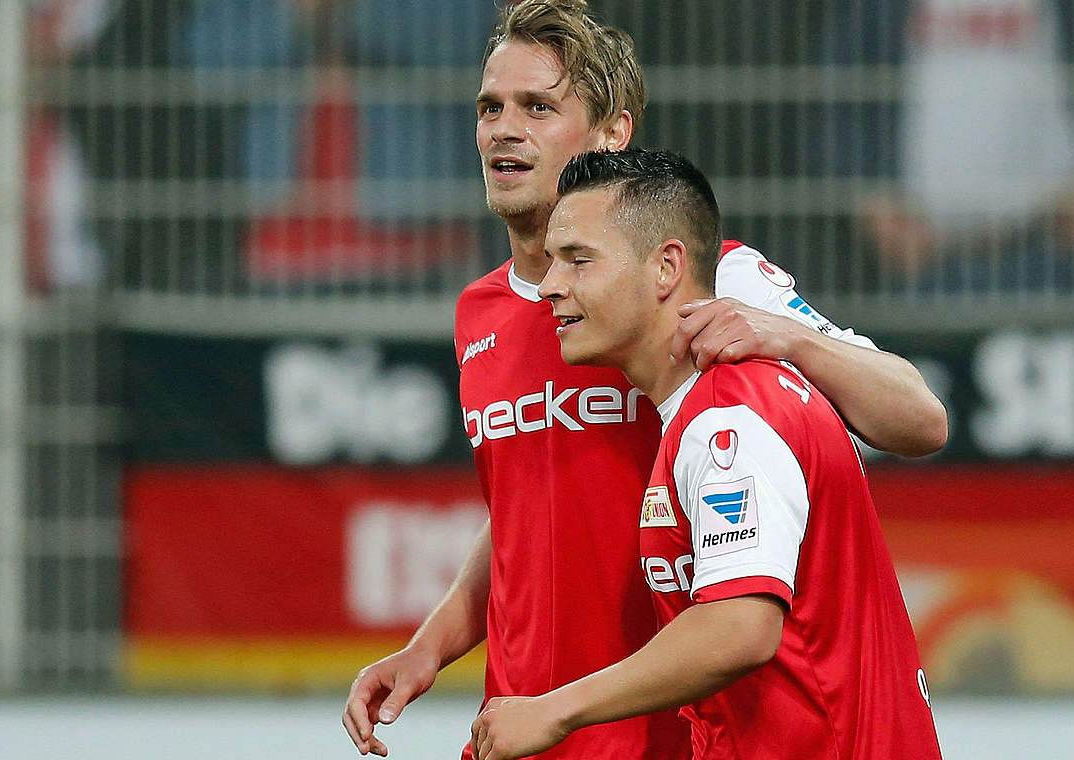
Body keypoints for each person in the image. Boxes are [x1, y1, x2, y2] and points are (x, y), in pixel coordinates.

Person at [342, 1, 947, 757]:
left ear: (612, 134)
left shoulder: (708, 280)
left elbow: (921, 420)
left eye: (538, 107)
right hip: (528, 724)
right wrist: (428, 648)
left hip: (661, 726)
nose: (504, 128)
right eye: (490, 107)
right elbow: (525, 504)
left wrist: (789, 337)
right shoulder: (480, 312)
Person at [469, 148, 942, 760]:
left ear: (668, 269)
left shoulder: (728, 420)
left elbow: (739, 630)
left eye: (579, 262)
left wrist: (556, 711)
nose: (553, 286)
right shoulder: (705, 408)